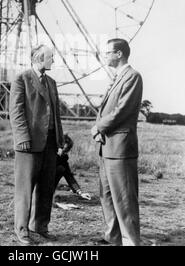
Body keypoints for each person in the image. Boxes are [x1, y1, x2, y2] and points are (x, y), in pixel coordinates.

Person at [9, 44, 64, 245]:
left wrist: (60, 140)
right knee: (25, 188)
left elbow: (56, 115)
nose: (53, 61)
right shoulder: (21, 79)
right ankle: (22, 229)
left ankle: (40, 226)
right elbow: (16, 112)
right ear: (39, 58)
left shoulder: (52, 83)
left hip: (50, 143)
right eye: (50, 57)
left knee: (47, 187)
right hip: (29, 143)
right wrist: (22, 138)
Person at [91, 38, 143, 246]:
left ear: (119, 54)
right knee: (107, 195)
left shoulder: (133, 77)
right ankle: (112, 238)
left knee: (124, 199)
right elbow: (106, 109)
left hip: (120, 148)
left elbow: (122, 110)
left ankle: (130, 241)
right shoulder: (118, 78)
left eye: (107, 53)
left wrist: (99, 127)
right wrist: (99, 131)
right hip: (107, 147)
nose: (105, 57)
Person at [54, 134, 91, 200]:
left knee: (61, 169)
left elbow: (69, 176)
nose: (62, 152)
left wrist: (80, 192)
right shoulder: (47, 155)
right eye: (62, 148)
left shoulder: (63, 159)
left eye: (65, 151)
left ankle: (50, 193)